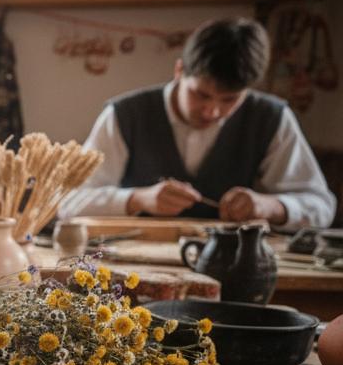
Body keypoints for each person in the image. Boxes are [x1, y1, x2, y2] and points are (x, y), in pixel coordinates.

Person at [59, 17, 335, 230]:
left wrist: (270, 206)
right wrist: (138, 199)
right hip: (133, 266)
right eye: (201, 95)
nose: (212, 111)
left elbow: (322, 206)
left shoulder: (271, 117)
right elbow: (68, 202)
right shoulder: (124, 115)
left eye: (229, 100)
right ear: (179, 71)